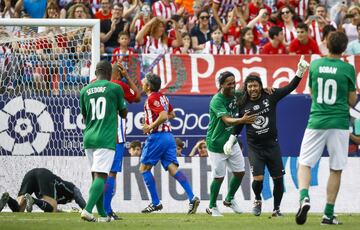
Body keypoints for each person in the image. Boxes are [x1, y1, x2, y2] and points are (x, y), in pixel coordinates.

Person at [224, 56, 309, 217]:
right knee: (258, 179)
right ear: (246, 88)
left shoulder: (270, 95)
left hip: (272, 145)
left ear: (260, 86)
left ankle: (277, 209)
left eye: (255, 85)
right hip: (255, 147)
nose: (253, 89)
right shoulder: (242, 102)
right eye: (250, 86)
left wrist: (300, 71)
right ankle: (257, 200)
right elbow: (240, 123)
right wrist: (231, 139)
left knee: (278, 179)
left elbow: (290, 87)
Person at [296, 31, 357, 225]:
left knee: (305, 163)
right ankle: (328, 214)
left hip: (317, 120)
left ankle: (304, 197)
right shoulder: (347, 69)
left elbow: (312, 92)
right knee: (336, 168)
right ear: (344, 48)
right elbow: (352, 99)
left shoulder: (315, 65)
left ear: (327, 45)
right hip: (338, 123)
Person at [139, 73, 200, 214]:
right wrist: (158, 119)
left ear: (148, 86)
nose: (142, 84)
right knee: (173, 168)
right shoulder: (163, 97)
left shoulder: (152, 98)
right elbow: (172, 114)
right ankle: (192, 197)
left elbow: (164, 115)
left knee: (144, 169)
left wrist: (150, 126)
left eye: (144, 82)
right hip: (168, 137)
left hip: (157, 137)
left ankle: (155, 203)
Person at [79, 60, 128, 222]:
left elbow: (85, 116)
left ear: (95, 73)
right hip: (105, 137)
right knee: (101, 175)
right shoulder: (115, 88)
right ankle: (87, 209)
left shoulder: (84, 90)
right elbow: (124, 113)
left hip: (89, 137)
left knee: (97, 177)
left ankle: (103, 215)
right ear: (109, 74)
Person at [205, 71, 257, 217]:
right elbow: (227, 120)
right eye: (229, 83)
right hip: (216, 143)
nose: (233, 85)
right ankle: (212, 207)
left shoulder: (236, 94)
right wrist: (242, 120)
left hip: (230, 141)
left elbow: (250, 91)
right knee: (219, 176)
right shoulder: (217, 100)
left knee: (240, 172)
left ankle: (229, 199)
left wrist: (265, 89)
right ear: (221, 85)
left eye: (234, 82)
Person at [103, 60, 141, 220]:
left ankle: (101, 208)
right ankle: (106, 210)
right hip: (116, 135)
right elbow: (137, 96)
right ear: (118, 73)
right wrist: (127, 77)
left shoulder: (96, 84)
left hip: (99, 134)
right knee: (112, 174)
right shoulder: (119, 85)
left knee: (99, 174)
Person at [0, 168, 86, 213]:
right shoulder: (71, 190)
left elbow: (51, 203)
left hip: (31, 174)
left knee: (19, 209)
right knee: (52, 209)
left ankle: (7, 198)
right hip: (44, 175)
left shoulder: (59, 197)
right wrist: (86, 209)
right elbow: (78, 195)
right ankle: (33, 200)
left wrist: (57, 209)